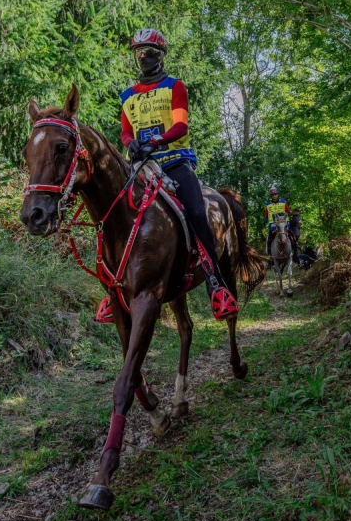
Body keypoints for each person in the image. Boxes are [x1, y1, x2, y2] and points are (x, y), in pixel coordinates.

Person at [95, 28, 238, 322]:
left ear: (160, 56)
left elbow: (181, 126)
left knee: (197, 212)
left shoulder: (175, 87)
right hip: (139, 167)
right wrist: (130, 143)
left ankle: (216, 284)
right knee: (111, 214)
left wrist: (157, 141)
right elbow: (125, 130)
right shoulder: (128, 96)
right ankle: (112, 289)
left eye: (150, 52)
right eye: (139, 52)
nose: (144, 57)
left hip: (174, 162)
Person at [265, 186, 293, 258]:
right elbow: (266, 214)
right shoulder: (268, 204)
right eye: (272, 195)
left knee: (291, 235)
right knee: (269, 237)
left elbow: (288, 211)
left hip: (284, 223)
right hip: (273, 224)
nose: (274, 196)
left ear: (278, 194)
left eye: (275, 194)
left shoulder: (284, 202)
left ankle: (294, 253)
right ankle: (270, 255)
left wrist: (287, 215)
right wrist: (265, 219)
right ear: (271, 196)